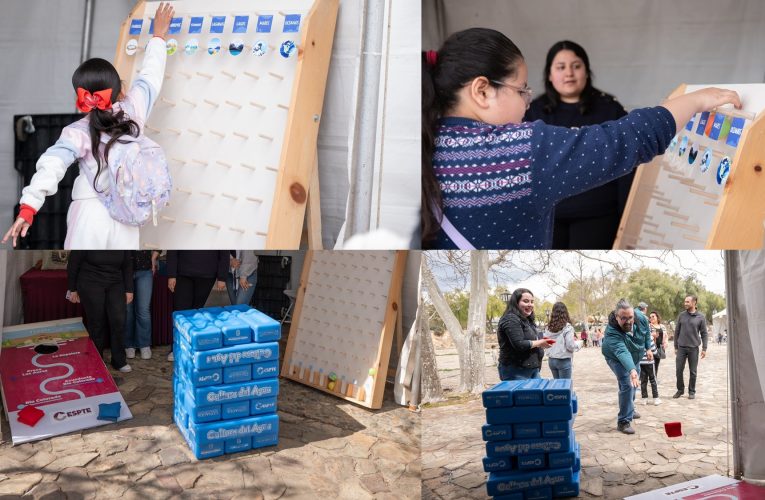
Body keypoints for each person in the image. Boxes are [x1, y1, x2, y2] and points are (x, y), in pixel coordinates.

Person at [421, 28, 742, 249]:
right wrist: (698, 100)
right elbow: (626, 139)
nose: (526, 102)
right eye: (521, 90)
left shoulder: (425, 143)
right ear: (481, 90)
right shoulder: (518, 152)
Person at [2, 3, 175, 249]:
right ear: (122, 90)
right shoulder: (135, 107)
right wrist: (158, 36)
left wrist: (29, 207)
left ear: (81, 97)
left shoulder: (76, 131)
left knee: (80, 281)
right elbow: (150, 75)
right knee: (118, 280)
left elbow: (53, 164)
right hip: (128, 213)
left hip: (89, 212)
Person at [524, 41, 631, 249]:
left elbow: (626, 165)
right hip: (547, 214)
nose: (569, 74)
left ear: (587, 71)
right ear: (549, 74)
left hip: (597, 213)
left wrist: (625, 215)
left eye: (576, 66)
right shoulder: (532, 112)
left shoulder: (610, 109)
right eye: (561, 67)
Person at [67, 251, 134, 372]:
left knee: (119, 320)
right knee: (96, 322)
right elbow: (73, 262)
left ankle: (118, 360)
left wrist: (129, 289)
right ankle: (96, 359)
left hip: (116, 282)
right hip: (90, 281)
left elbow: (128, 264)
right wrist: (72, 288)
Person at [601, 299, 653, 434]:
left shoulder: (640, 317)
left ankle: (630, 407)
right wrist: (632, 370)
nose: (628, 321)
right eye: (623, 318)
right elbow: (621, 351)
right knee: (627, 384)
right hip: (616, 358)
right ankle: (623, 421)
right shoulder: (612, 331)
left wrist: (648, 348)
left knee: (634, 384)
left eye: (630, 317)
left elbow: (646, 332)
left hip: (635, 355)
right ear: (616, 316)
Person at [166, 251, 229, 361]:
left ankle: (192, 348)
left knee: (197, 315)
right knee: (181, 313)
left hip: (207, 274)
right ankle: (176, 348)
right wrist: (171, 274)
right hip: (182, 273)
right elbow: (173, 248)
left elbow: (224, 251)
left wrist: (222, 276)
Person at [496, 288, 554, 380]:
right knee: (525, 395)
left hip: (533, 369)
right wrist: (540, 343)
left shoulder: (527, 320)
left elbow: (532, 341)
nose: (530, 304)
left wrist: (543, 343)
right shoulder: (510, 319)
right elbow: (519, 344)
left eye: (532, 302)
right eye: (526, 301)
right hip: (516, 371)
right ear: (516, 302)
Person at [125, 250, 159, 360]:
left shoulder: (149, 231)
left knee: (143, 309)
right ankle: (128, 344)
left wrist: (153, 259)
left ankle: (144, 344)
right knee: (127, 309)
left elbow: (157, 241)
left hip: (145, 269)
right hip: (124, 270)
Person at [673, 295, 708, 400]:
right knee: (679, 370)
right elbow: (677, 331)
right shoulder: (681, 315)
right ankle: (680, 390)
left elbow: (704, 333)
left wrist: (704, 348)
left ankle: (691, 391)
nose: (685, 303)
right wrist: (675, 346)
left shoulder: (700, 317)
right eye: (685, 302)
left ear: (694, 303)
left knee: (693, 371)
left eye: (687, 302)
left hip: (694, 348)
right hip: (681, 347)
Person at [544, 302, 579, 378]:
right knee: (565, 387)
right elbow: (570, 345)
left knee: (558, 386)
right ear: (565, 312)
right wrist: (578, 345)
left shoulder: (548, 327)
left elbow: (545, 343)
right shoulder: (567, 327)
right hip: (563, 360)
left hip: (551, 360)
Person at [639, 334, 661, 406]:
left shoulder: (638, 338)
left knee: (643, 381)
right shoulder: (649, 339)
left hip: (641, 362)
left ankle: (644, 398)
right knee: (653, 380)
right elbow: (654, 351)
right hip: (649, 362)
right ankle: (656, 398)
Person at [649, 311, 667, 376]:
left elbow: (666, 336)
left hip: (659, 348)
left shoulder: (662, 326)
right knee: (651, 364)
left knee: (656, 364)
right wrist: (652, 335)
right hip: (651, 348)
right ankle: (651, 379)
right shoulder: (649, 326)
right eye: (650, 317)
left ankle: (654, 378)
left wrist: (665, 343)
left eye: (653, 316)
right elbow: (646, 336)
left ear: (657, 317)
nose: (651, 318)